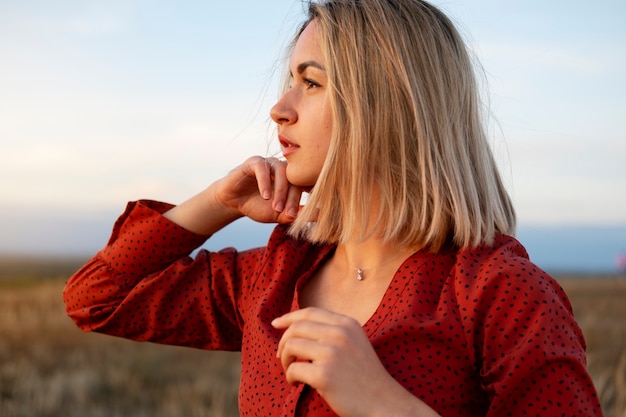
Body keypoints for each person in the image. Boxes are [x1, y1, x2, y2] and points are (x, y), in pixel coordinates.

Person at [63, 0, 602, 416]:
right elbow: (95, 298)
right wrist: (217, 203)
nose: (279, 109)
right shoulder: (273, 276)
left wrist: (384, 404)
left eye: (311, 83)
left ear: (388, 104)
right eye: (288, 81)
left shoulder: (502, 296)